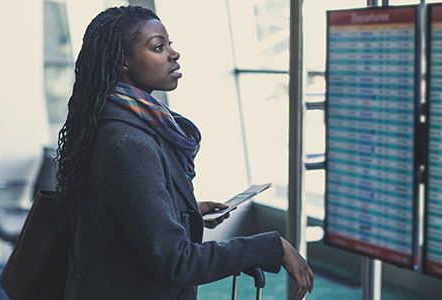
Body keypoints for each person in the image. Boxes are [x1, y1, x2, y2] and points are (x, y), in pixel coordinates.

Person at [55, 5, 314, 300]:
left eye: (170, 45)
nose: (173, 55)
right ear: (122, 61)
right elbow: (176, 263)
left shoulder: (111, 119)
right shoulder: (129, 142)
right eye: (157, 47)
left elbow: (113, 216)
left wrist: (183, 209)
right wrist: (271, 247)